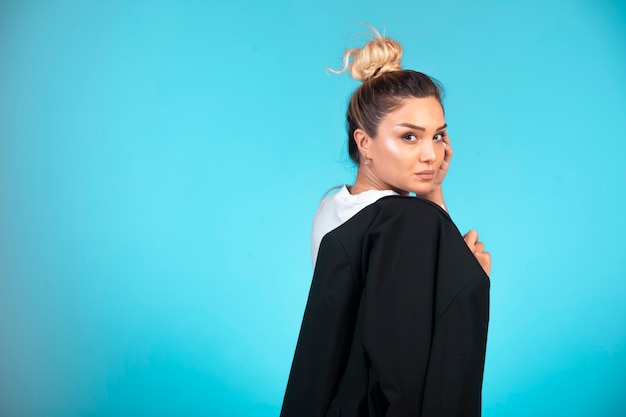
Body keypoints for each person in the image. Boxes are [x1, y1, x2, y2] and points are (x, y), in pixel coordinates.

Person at [281, 28, 491, 417]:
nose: (431, 154)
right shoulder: (408, 222)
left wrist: (433, 204)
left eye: (438, 136)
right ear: (364, 142)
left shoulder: (332, 206)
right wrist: (468, 280)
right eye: (410, 137)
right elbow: (412, 364)